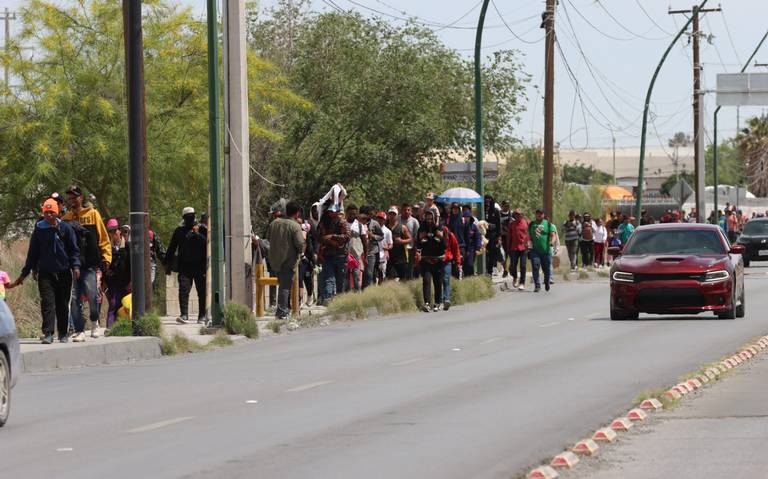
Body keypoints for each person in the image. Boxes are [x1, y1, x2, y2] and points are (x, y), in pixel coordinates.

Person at [9, 199, 81, 344]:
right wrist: (24, 274)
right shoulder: (39, 229)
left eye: (51, 212)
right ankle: (48, 333)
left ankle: (63, 333)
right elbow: (32, 254)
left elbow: (74, 250)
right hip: (45, 273)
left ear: (57, 212)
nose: (48, 215)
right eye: (46, 213)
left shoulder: (65, 228)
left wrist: (76, 266)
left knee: (62, 303)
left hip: (64, 272)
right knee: (47, 303)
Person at [62, 185, 111, 341]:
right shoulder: (66, 219)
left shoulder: (93, 214)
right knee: (75, 299)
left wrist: (106, 257)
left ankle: (95, 323)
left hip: (90, 264)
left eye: (74, 197)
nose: (72, 200)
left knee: (91, 296)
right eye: (69, 197)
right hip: (73, 266)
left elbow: (103, 238)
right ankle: (79, 330)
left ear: (81, 198)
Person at [164, 207, 207, 324]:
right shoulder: (179, 231)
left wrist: (197, 234)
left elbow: (207, 243)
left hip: (200, 266)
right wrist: (166, 263)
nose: (190, 219)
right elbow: (172, 248)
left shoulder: (201, 229)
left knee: (202, 291)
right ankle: (184, 315)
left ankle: (202, 316)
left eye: (192, 216)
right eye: (188, 217)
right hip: (184, 266)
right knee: (183, 290)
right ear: (184, 218)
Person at [266, 201, 306, 320]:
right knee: (285, 287)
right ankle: (282, 312)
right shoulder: (295, 226)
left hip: (274, 260)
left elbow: (268, 238)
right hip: (288, 261)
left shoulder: (274, 223)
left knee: (282, 285)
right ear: (297, 213)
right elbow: (300, 244)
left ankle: (283, 309)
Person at [317, 204, 350, 303]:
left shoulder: (343, 223)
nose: (331, 214)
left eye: (333, 212)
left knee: (340, 280)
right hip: (328, 255)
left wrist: (332, 236)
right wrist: (329, 241)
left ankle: (340, 299)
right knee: (329, 278)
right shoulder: (324, 223)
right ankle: (328, 298)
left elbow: (347, 236)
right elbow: (319, 237)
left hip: (341, 256)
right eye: (330, 212)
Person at [416, 210, 446, 312]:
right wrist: (419, 251)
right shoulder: (422, 227)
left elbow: (442, 242)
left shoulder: (439, 227)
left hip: (438, 260)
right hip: (426, 259)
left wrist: (436, 237)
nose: (429, 220)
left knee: (438, 282)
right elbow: (419, 242)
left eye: (430, 218)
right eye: (427, 218)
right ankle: (427, 303)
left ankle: (437, 302)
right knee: (426, 281)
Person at [104, 219, 131, 329]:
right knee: (113, 304)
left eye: (114, 231)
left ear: (119, 231)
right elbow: (104, 264)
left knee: (126, 306)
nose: (113, 233)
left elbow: (132, 264)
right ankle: (110, 329)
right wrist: (105, 276)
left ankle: (125, 328)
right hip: (113, 283)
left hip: (126, 282)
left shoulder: (128, 246)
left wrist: (131, 281)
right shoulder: (107, 248)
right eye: (110, 231)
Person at [528, 209, 555, 293]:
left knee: (546, 269)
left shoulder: (548, 224)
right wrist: (528, 244)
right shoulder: (532, 224)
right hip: (535, 251)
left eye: (541, 214)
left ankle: (547, 282)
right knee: (535, 266)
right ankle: (537, 285)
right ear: (535, 215)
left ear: (543, 215)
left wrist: (552, 242)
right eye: (537, 214)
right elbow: (529, 236)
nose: (539, 215)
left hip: (546, 251)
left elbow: (553, 235)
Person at [346, 204, 367, 292]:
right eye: (350, 214)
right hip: (345, 254)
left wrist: (365, 255)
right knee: (345, 276)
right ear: (347, 213)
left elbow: (364, 241)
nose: (352, 216)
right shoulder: (343, 224)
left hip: (356, 255)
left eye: (354, 214)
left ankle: (358, 295)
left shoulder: (359, 226)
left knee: (357, 276)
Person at [361, 206, 383, 289]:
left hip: (371, 252)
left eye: (370, 214)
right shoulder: (358, 223)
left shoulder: (375, 223)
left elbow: (381, 236)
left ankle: (368, 292)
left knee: (369, 273)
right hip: (359, 252)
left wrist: (372, 236)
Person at [507, 209, 529, 290]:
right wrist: (508, 247)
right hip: (514, 247)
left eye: (519, 214)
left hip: (524, 247)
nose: (517, 216)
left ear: (522, 215)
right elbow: (509, 237)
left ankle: (522, 282)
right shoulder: (512, 224)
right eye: (516, 214)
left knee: (523, 266)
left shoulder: (526, 222)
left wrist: (530, 243)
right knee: (513, 265)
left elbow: (530, 233)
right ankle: (515, 277)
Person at [386, 206, 411, 280]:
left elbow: (410, 239)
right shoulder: (384, 227)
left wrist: (402, 241)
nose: (392, 216)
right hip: (388, 257)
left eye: (394, 214)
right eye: (390, 214)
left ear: (397, 215)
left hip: (400, 257)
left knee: (402, 278)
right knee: (389, 278)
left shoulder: (402, 227)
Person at [442, 221, 461, 311]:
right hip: (436, 261)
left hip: (447, 260)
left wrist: (458, 262)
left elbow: (456, 249)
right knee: (438, 281)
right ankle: (438, 300)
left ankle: (446, 299)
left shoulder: (450, 235)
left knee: (446, 279)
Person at [400, 203, 420, 279]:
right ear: (401, 210)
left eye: (408, 210)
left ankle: (409, 284)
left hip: (410, 248)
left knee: (409, 269)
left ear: (411, 211)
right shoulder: (397, 219)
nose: (407, 211)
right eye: (405, 210)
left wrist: (417, 251)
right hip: (399, 249)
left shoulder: (414, 221)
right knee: (401, 270)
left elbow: (417, 237)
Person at [483, 195, 502, 275]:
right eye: (486, 200)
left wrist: (499, 237)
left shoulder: (495, 211)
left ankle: (490, 271)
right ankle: (484, 269)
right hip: (483, 235)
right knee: (484, 253)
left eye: (489, 200)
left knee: (492, 253)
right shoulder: (482, 210)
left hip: (493, 235)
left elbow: (498, 224)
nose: (487, 202)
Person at [462, 207, 482, 277]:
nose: (466, 218)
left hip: (472, 249)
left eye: (468, 217)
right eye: (465, 217)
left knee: (470, 264)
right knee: (464, 265)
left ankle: (471, 277)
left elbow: (478, 237)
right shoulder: (461, 226)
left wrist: (478, 247)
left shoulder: (474, 227)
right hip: (463, 248)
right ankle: (465, 278)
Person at [375, 211, 392, 284]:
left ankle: (380, 289)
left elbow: (391, 244)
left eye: (381, 219)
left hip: (383, 256)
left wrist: (387, 249)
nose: (380, 220)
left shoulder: (387, 231)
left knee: (382, 274)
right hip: (374, 254)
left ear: (384, 220)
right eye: (378, 218)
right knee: (374, 274)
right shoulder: (373, 228)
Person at [499, 201, 513, 278]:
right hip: (502, 237)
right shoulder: (498, 214)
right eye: (505, 205)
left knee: (512, 255)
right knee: (503, 255)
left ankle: (511, 267)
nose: (506, 207)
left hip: (510, 238)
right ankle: (505, 270)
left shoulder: (512, 214)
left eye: (508, 205)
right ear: (502, 206)